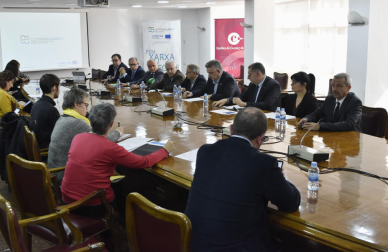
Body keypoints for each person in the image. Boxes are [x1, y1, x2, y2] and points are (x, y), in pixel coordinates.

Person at [185, 107, 301, 252]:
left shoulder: (205, 151)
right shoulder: (264, 164)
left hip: (192, 243)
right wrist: (281, 177)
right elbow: (291, 203)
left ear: (231, 129)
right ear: (261, 138)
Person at [61, 103, 175, 216]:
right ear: (111, 124)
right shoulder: (110, 148)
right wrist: (165, 150)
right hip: (91, 204)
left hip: (67, 199)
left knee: (121, 180)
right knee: (131, 183)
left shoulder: (78, 137)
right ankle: (128, 222)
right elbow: (144, 162)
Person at [47, 87, 122, 185]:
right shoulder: (78, 124)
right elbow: (103, 140)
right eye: (86, 105)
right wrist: (118, 132)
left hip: (55, 172)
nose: (87, 109)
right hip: (64, 177)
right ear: (76, 105)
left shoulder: (64, 117)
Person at [213, 62, 281, 111]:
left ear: (258, 74)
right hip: (252, 115)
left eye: (249, 75)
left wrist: (245, 104)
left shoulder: (273, 85)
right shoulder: (253, 84)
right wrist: (226, 100)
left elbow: (267, 104)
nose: (248, 78)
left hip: (267, 118)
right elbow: (242, 97)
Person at [30, 74, 61, 149]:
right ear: (54, 88)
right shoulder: (51, 110)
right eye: (59, 87)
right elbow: (60, 134)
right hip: (46, 150)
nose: (59, 90)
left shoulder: (35, 105)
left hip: (39, 146)